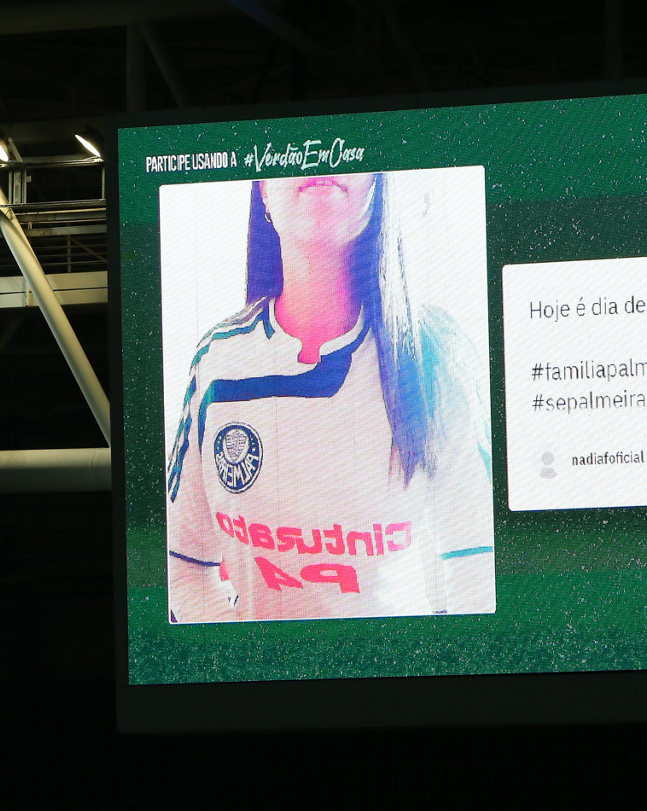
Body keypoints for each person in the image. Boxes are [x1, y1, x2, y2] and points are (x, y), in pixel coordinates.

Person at [165, 171, 495, 623]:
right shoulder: (218, 362)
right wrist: (249, 658)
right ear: (263, 192)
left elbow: (481, 569)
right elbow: (182, 567)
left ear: (379, 184)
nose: (320, 159)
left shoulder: (433, 353)